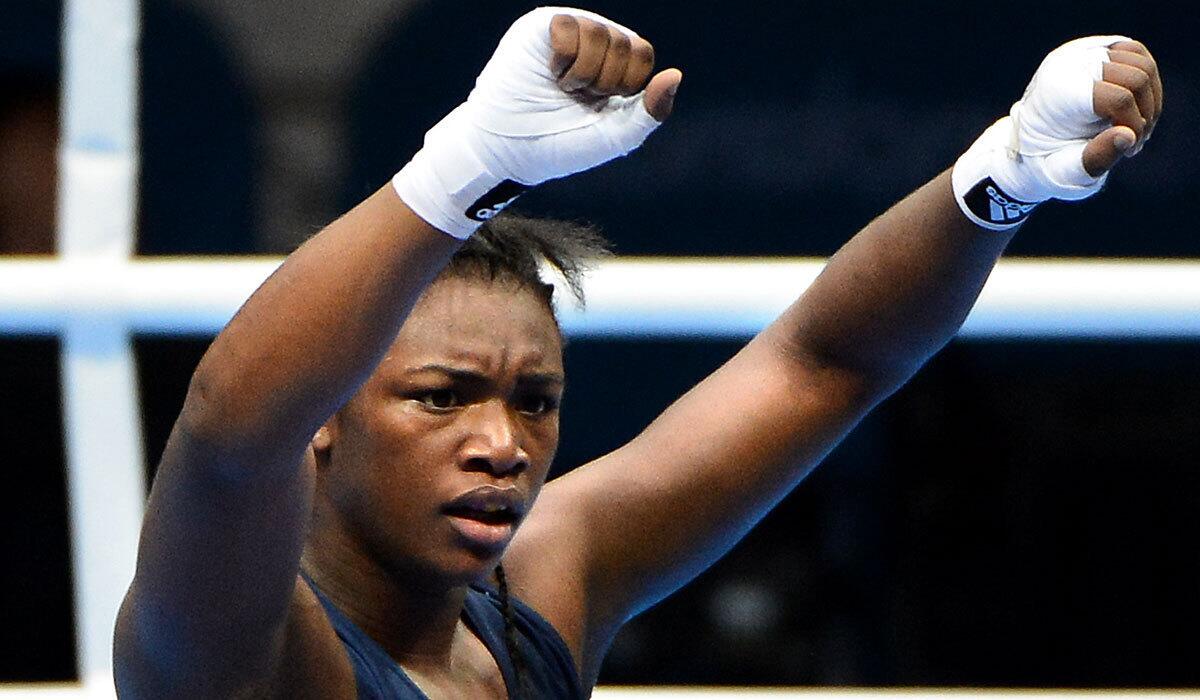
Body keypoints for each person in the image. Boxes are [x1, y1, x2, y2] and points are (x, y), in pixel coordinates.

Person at [112, 7, 1162, 699]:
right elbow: (229, 431)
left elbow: (823, 361)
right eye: (442, 398)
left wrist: (1001, 178)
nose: (503, 445)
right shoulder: (240, 651)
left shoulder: (544, 592)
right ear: (325, 414)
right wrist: (463, 166)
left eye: (535, 400)